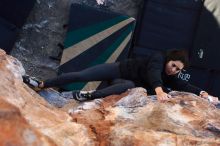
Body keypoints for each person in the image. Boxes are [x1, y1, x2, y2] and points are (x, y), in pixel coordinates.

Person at [22, 49, 219, 104]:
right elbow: (153, 73)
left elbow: (183, 85)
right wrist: (159, 90)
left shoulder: (172, 75)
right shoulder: (158, 58)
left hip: (127, 82)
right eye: (173, 65)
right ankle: (41, 83)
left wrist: (202, 92)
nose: (174, 70)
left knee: (125, 87)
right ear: (169, 59)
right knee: (82, 74)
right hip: (119, 69)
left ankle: (89, 96)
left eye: (178, 69)